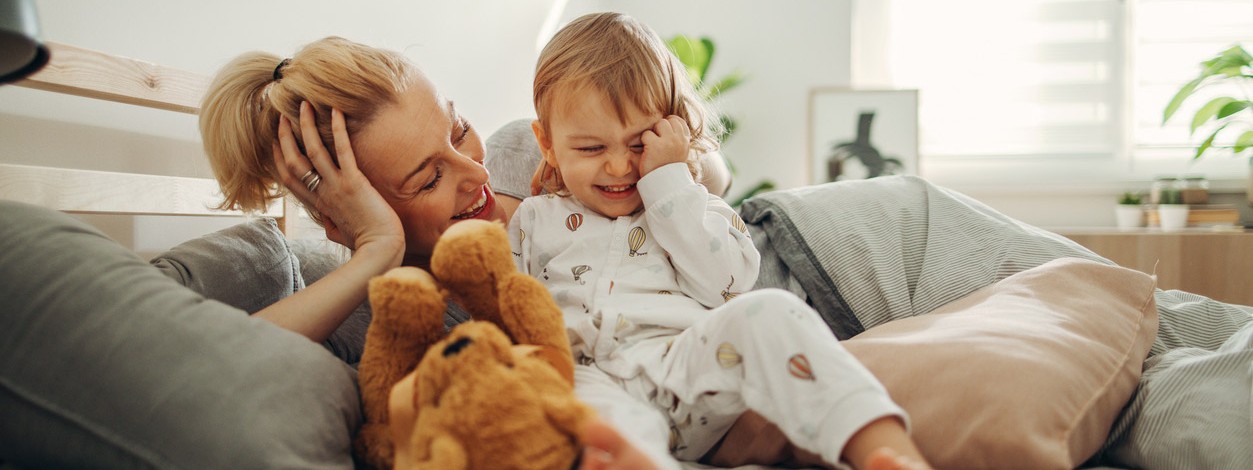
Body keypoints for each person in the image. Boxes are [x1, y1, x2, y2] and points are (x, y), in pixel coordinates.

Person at [209, 30, 1251, 470]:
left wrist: (676, 166)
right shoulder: (371, 294)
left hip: (832, 249)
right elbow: (236, 361)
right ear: (339, 207)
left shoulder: (540, 149)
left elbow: (689, 151)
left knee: (1169, 327)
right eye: (423, 178)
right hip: (707, 359)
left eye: (460, 130)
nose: (474, 173)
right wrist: (377, 242)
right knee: (1133, 377)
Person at [506, 12, 931, 470]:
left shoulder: (694, 204)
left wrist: (668, 182)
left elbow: (728, 287)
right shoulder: (532, 220)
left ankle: (884, 450)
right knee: (580, 410)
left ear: (672, 129)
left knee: (772, 310)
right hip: (591, 378)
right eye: (591, 149)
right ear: (547, 144)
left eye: (639, 143)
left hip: (689, 372)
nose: (618, 167)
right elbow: (507, 308)